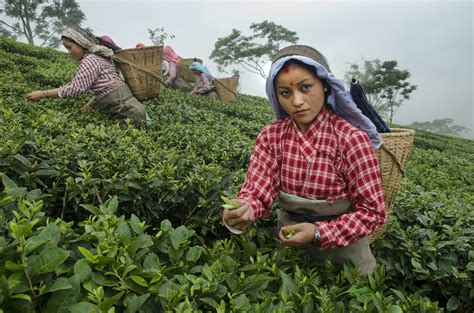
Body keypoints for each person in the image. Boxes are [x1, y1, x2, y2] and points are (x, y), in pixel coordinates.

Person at [221, 45, 386, 275]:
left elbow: (373, 212)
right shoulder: (272, 136)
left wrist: (319, 233)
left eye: (305, 87)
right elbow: (257, 191)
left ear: (325, 86)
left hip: (346, 266)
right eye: (285, 93)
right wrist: (243, 209)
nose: (297, 101)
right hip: (291, 260)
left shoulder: (351, 139)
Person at [26, 28, 148, 123]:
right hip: (135, 110)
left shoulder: (90, 60)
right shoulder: (100, 58)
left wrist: (43, 94)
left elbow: (74, 90)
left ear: (81, 43)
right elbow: (106, 88)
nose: (69, 52)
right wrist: (90, 105)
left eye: (70, 47)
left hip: (126, 112)